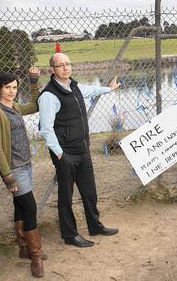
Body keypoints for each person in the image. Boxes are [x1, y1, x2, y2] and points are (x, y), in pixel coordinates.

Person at [38, 52, 120, 247]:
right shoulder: (49, 95)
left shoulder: (74, 86)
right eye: (60, 65)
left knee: (90, 191)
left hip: (83, 150)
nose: (66, 68)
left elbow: (91, 91)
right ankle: (70, 235)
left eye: (68, 64)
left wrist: (109, 89)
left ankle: (95, 225)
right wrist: (60, 155)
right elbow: (46, 129)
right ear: (52, 69)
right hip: (65, 153)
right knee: (66, 197)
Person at [0, 68, 45, 277]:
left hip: (26, 165)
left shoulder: (16, 108)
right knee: (30, 208)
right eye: (7, 87)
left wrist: (33, 83)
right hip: (14, 169)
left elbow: (36, 105)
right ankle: (36, 256)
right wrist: (7, 175)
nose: (11, 91)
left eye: (14, 88)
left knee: (20, 206)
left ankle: (23, 248)